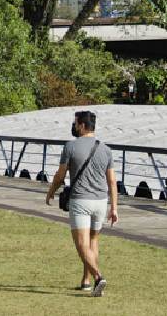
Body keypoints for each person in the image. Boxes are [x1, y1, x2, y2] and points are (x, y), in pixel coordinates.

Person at [45, 111, 117, 297]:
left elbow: (60, 175)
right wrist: (114, 207)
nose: (74, 126)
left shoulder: (70, 146)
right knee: (93, 241)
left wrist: (51, 192)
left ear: (82, 125)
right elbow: (112, 181)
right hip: (101, 201)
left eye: (76, 123)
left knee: (81, 244)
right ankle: (86, 281)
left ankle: (98, 278)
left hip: (81, 200)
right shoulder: (106, 149)